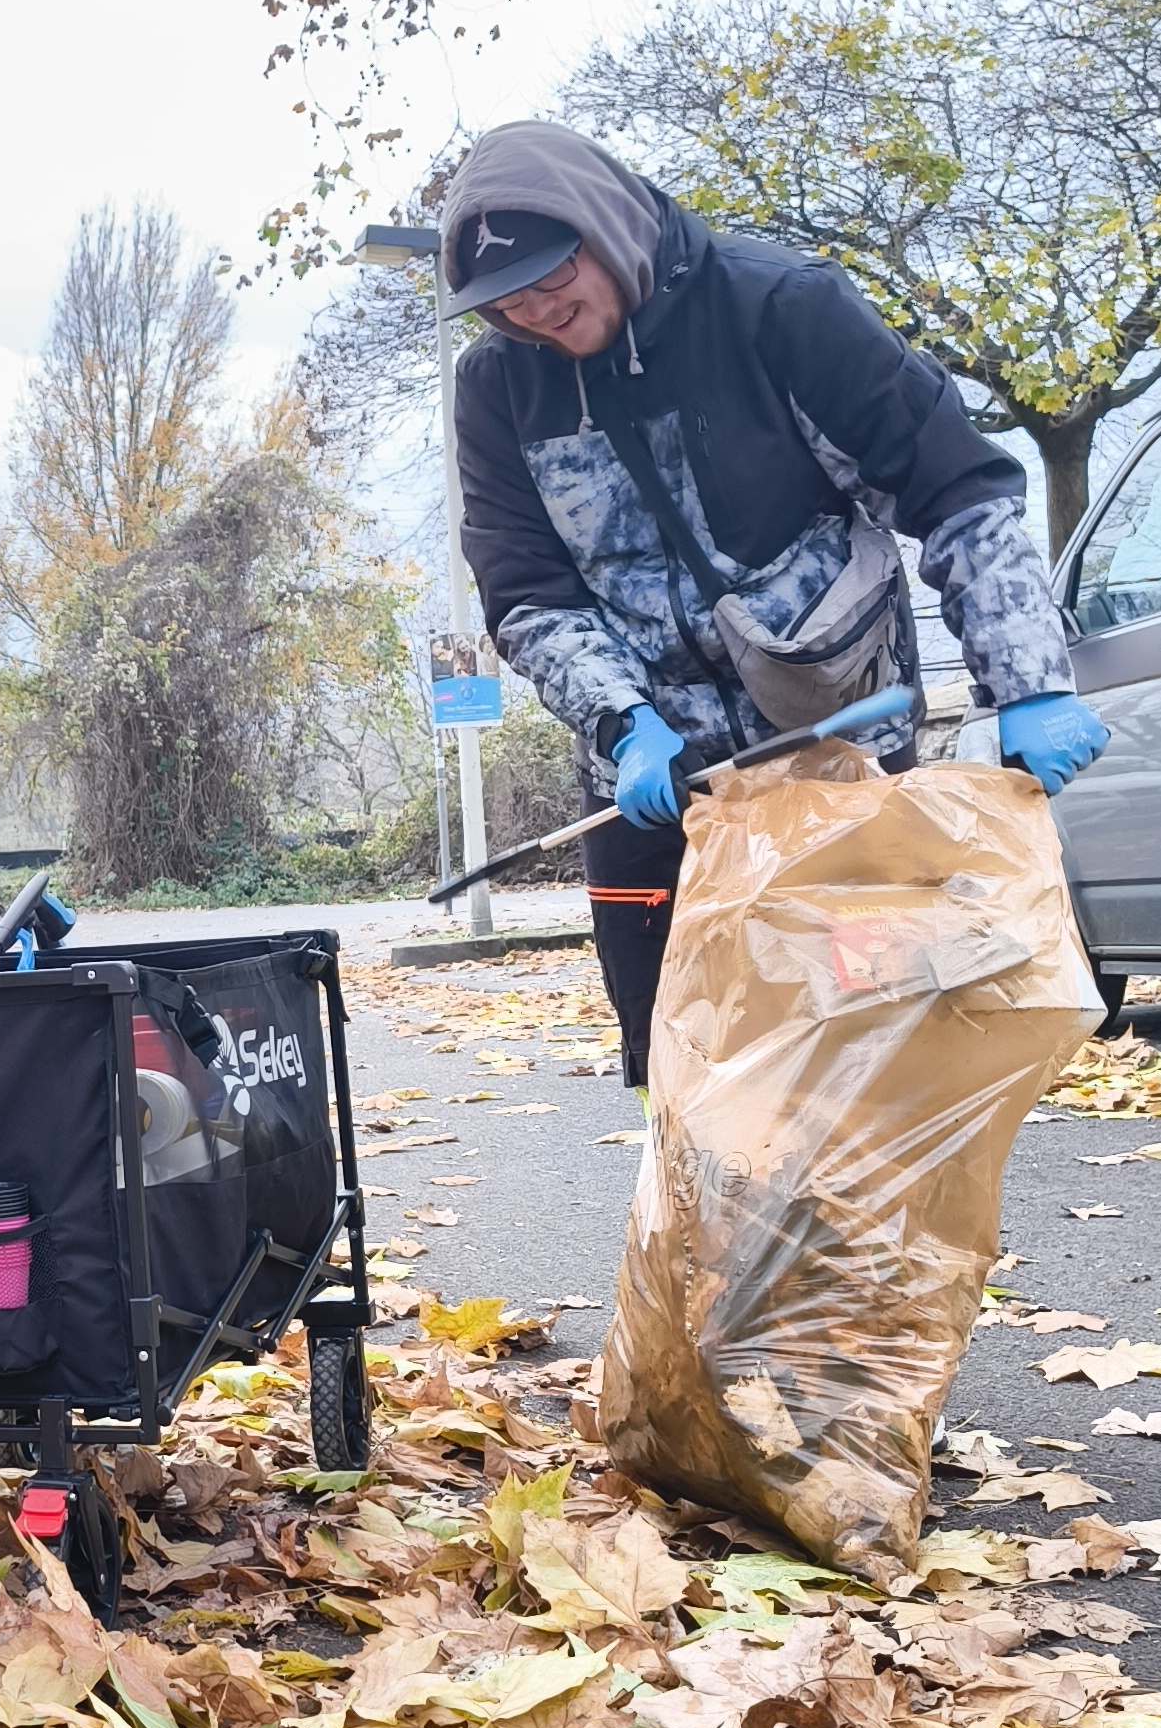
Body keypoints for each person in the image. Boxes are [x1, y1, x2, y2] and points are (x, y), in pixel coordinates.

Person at [446, 120, 1106, 1086]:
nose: (537, 310)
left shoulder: (780, 308)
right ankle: (707, 1241)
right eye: (505, 300)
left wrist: (1029, 680)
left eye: (554, 276)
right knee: (686, 1061)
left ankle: (878, 1242)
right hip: (653, 782)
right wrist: (621, 721)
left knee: (863, 1047)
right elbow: (525, 591)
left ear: (606, 224)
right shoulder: (497, 388)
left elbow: (956, 491)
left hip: (834, 753)